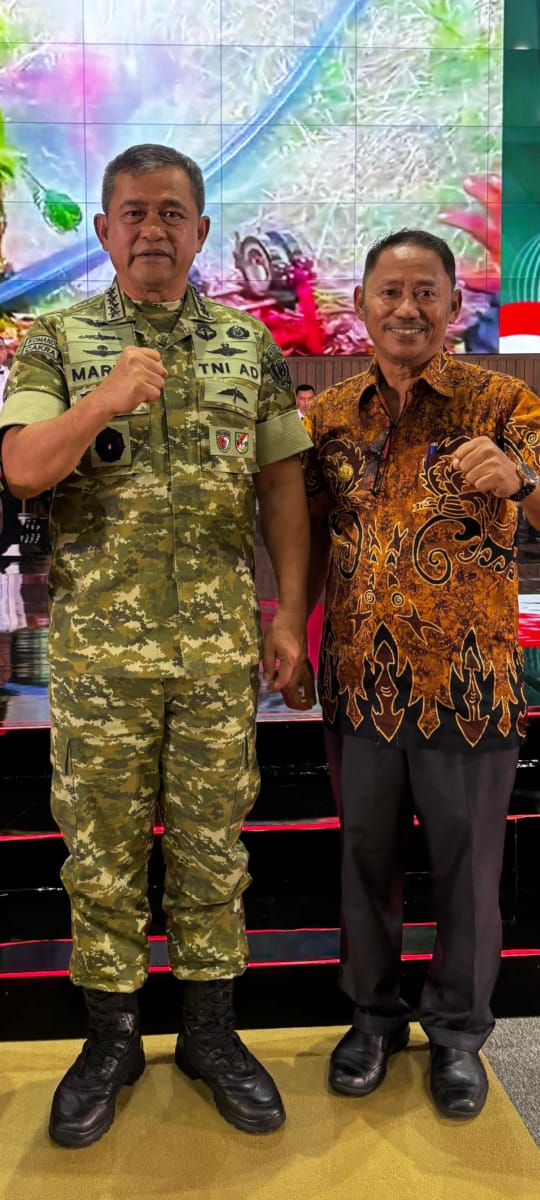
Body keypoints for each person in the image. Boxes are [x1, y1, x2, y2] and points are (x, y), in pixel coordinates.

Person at [0, 143, 312, 1147]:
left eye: (172, 212)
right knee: (101, 851)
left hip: (218, 652)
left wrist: (288, 614)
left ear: (200, 230)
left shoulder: (246, 345)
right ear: (103, 230)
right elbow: (23, 469)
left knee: (215, 845)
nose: (152, 229)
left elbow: (282, 488)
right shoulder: (56, 340)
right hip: (101, 662)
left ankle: (212, 1036)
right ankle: (112, 1040)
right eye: (133, 212)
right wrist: (101, 400)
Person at [287, 229, 540, 1119]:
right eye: (390, 292)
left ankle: (460, 1035)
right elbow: (303, 533)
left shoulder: (503, 402)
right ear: (361, 304)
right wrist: (288, 628)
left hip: (470, 687)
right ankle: (373, 1018)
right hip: (359, 680)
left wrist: (519, 480)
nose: (407, 308)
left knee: (469, 871)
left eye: (425, 292)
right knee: (364, 860)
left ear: (454, 306)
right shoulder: (328, 416)